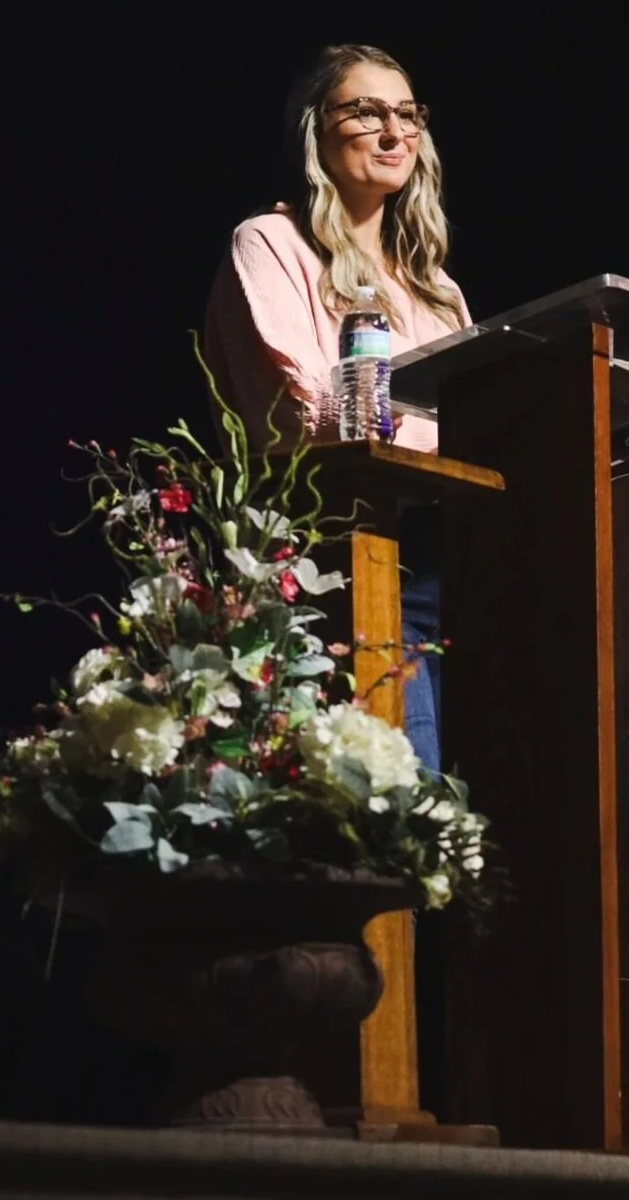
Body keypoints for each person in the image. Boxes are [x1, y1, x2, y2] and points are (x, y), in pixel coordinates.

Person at [204, 44, 469, 771]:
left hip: (458, 569)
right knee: (406, 798)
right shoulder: (272, 244)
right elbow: (313, 407)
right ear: (315, 129)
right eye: (366, 111)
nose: (394, 132)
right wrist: (446, 430)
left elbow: (479, 410)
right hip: (347, 558)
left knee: (481, 807)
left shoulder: (436, 289)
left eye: (407, 114)